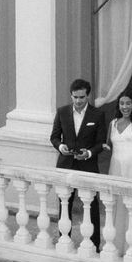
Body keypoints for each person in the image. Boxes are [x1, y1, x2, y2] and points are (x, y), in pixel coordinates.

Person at [50, 78, 107, 250]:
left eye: (82, 97)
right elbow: (54, 137)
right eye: (75, 97)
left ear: (88, 96)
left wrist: (88, 153)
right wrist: (61, 147)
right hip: (66, 164)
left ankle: (95, 244)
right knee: (64, 203)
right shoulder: (62, 112)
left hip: (88, 166)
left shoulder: (97, 114)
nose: (78, 101)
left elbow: (100, 142)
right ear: (71, 96)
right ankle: (64, 240)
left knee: (92, 205)